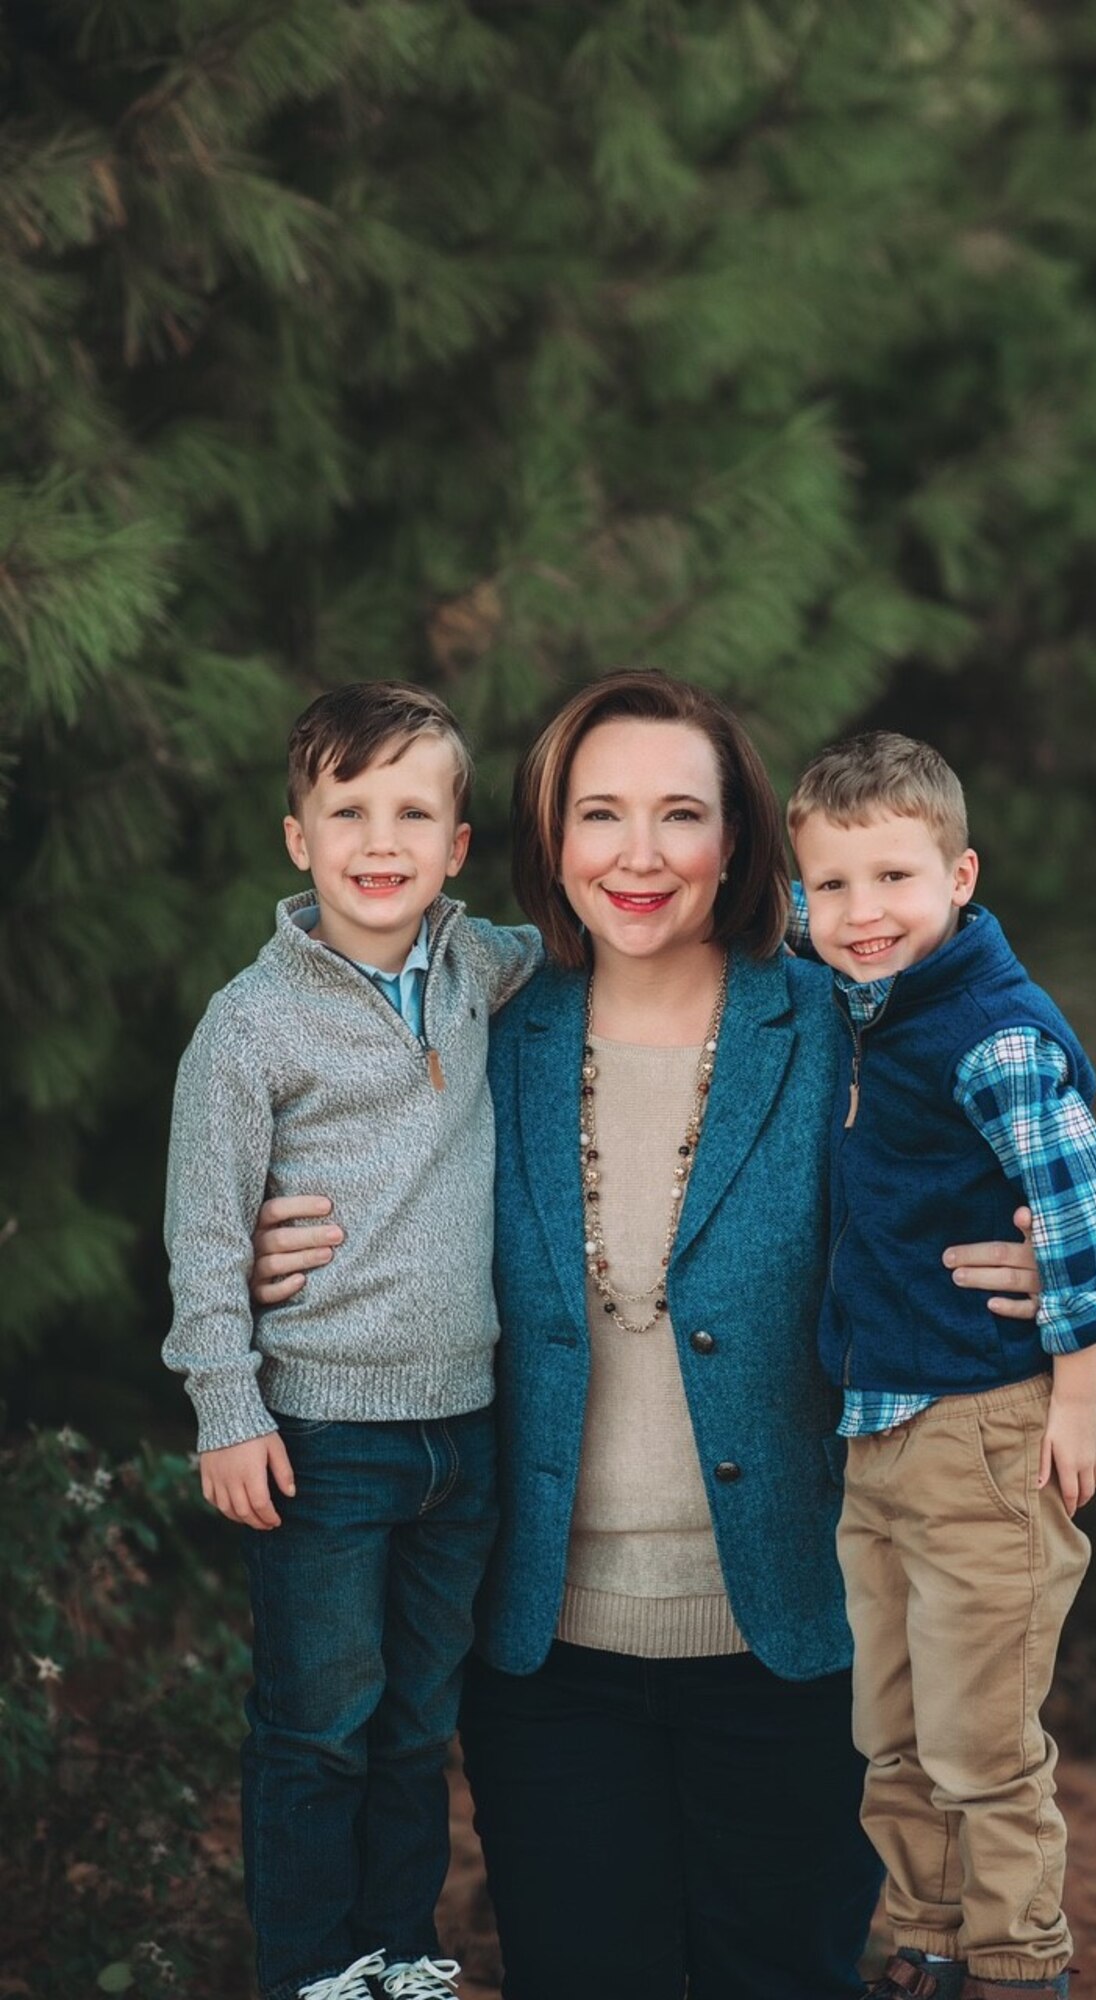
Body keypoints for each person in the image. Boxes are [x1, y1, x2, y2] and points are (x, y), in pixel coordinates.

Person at [249, 671, 1042, 2000]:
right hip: (549, 1663)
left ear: (736, 841)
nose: (636, 855)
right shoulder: (480, 1027)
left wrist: (1044, 1257)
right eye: (596, 814)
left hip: (799, 1643)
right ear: (546, 842)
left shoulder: (842, 1026)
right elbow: (338, 1149)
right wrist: (279, 1239)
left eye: (680, 815)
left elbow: (1008, 1074)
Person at [163, 682, 542, 2000]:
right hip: (322, 1435)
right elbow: (207, 1236)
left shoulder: (486, 966)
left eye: (410, 812)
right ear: (296, 837)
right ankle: (312, 1971)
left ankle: (404, 1954)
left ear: (454, 842)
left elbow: (623, 932)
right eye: (346, 811)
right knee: (318, 1729)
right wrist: (227, 1405)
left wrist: (812, 914)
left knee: (414, 1724)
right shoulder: (252, 1024)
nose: (378, 841)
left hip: (464, 1432)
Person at [786, 730, 1096, 2000]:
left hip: (985, 1429)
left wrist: (1079, 1397)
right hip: (878, 1430)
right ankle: (925, 1945)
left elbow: (1085, 1221)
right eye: (830, 885)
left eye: (892, 879)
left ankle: (1013, 1963)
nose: (859, 911)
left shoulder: (989, 1036)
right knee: (890, 1731)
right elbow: (788, 908)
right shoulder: (871, 985)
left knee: (982, 1741)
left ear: (962, 874)